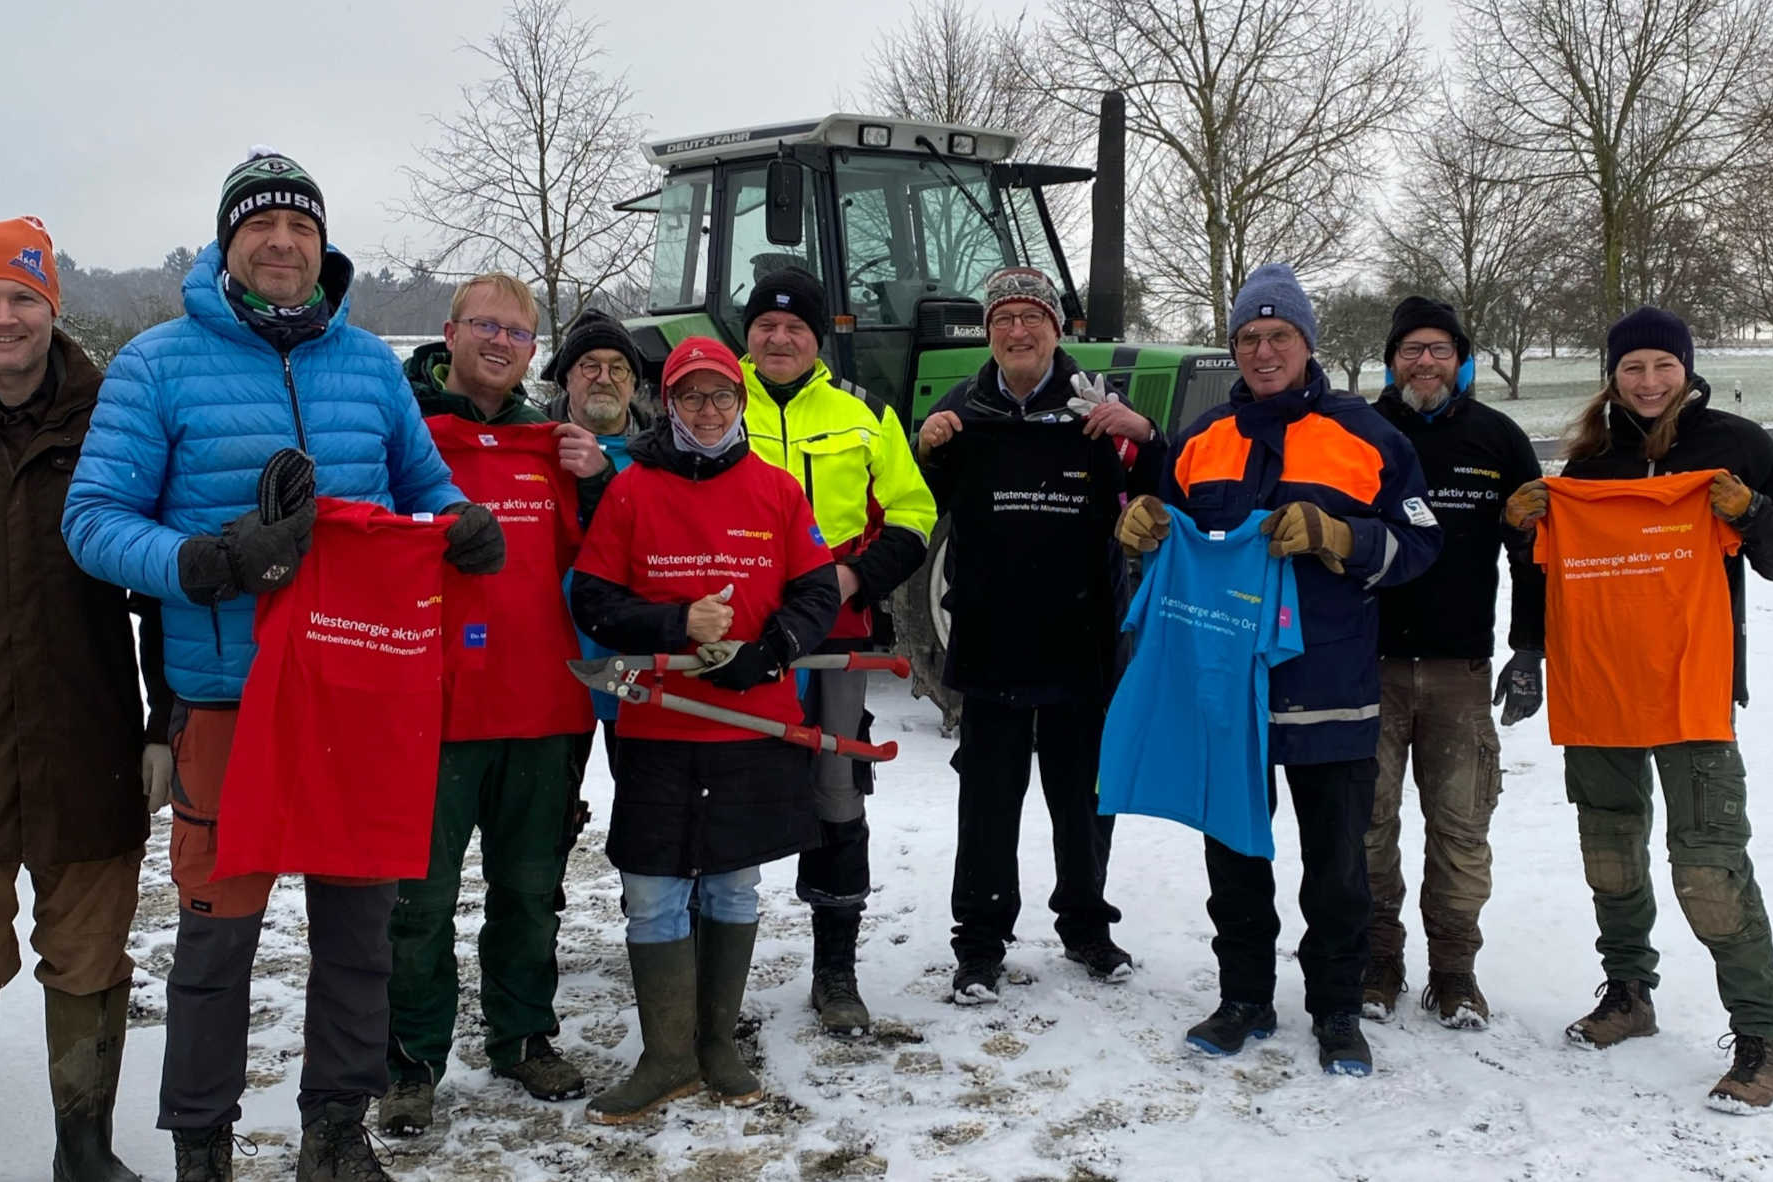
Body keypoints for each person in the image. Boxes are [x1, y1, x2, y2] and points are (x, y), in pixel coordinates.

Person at [61, 149, 504, 1181]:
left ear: (322, 243)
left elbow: (425, 488)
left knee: (358, 932)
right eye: (258, 225)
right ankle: (202, 1149)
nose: (280, 242)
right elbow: (91, 522)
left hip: (357, 696)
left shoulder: (366, 370)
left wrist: (462, 528)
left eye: (298, 226)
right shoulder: (158, 366)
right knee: (217, 948)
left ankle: (335, 1137)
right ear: (227, 244)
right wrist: (203, 563)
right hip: (228, 701)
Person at [1118, 263, 1441, 1076]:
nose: (1263, 352)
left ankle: (1336, 1010)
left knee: (1336, 867)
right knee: (1233, 855)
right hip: (1225, 693)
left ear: (1307, 344)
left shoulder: (1369, 435)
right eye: (1248, 338)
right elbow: (1168, 539)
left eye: (1279, 336)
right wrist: (1141, 528)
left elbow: (1421, 545)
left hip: (1328, 689)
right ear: (1234, 347)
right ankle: (1243, 999)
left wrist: (1341, 539)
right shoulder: (1200, 441)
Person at [1505, 305, 1773, 1111]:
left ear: (1685, 370)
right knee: (1609, 856)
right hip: (1598, 692)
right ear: (1612, 377)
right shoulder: (1584, 467)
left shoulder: (1735, 448)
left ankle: (1760, 1032)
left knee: (1708, 868)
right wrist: (1517, 530)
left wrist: (1751, 515)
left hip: (1690, 692)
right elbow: (1542, 574)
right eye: (1632, 368)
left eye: (1662, 365)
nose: (1649, 382)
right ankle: (1628, 993)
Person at [569, 336, 839, 1123]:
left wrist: (767, 654)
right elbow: (591, 600)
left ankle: (717, 1040)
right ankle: (666, 1056)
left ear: (741, 401)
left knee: (731, 885)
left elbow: (815, 592)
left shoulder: (777, 491)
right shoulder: (633, 489)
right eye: (691, 397)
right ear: (671, 405)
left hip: (749, 723)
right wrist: (675, 622)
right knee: (651, 893)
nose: (708, 411)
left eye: (721, 396)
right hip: (659, 725)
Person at [380, 274, 607, 1136]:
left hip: (543, 706)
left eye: (519, 331)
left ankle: (521, 1036)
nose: (502, 342)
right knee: (420, 902)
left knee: (530, 889)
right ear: (449, 332)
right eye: (486, 325)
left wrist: (594, 483)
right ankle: (412, 1058)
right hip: (431, 711)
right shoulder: (405, 434)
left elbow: (609, 560)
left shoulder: (558, 445)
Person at [917, 265, 1163, 1004]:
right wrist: (926, 449)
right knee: (987, 801)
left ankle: (1085, 924)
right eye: (1003, 321)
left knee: (1082, 798)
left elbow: (1161, 490)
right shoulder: (961, 408)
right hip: (991, 637)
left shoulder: (1095, 407)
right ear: (987, 333)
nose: (1017, 332)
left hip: (1079, 636)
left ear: (1058, 330)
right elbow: (922, 500)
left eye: (1032, 319)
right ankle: (980, 943)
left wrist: (1146, 436)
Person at [0, 216, 171, 1182]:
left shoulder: (113, 419)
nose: (6, 317)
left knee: (89, 955)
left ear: (52, 307)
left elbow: (156, 595)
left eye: (24, 297)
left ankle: (83, 1148)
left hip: (88, 737)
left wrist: (162, 722)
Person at [738, 267, 935, 1036]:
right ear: (747, 334)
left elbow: (915, 513)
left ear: (817, 338)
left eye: (795, 327)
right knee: (729, 797)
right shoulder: (712, 402)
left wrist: (852, 576)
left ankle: (835, 972)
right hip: (738, 642)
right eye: (765, 326)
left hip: (835, 642)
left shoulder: (865, 414)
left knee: (836, 796)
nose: (779, 338)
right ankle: (716, 981)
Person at [1362, 297, 1545, 1029]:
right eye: (1411, 351)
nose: (1424, 363)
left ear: (1460, 359)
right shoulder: (1360, 433)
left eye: (1438, 350)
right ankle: (1377, 960)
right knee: (1366, 825)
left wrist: (1529, 648)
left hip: (1459, 673)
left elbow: (1532, 554)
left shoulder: (1497, 438)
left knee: (1460, 829)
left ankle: (1454, 970)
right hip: (1363, 668)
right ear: (1391, 361)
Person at [542, 308, 655, 780]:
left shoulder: (663, 458)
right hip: (545, 660)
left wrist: (602, 480)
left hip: (631, 663)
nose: (604, 378)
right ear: (567, 377)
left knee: (643, 819)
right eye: (589, 365)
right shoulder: (530, 444)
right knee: (547, 822)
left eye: (618, 368)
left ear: (633, 384)